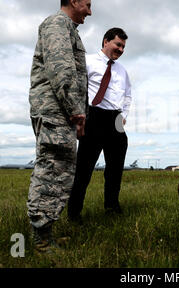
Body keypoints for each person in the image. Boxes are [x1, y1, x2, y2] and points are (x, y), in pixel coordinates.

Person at [27, 0, 92, 252]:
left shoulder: (69, 29)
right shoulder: (56, 24)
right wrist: (76, 109)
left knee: (60, 171)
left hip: (61, 111)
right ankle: (41, 238)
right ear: (73, 1)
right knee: (52, 171)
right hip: (56, 110)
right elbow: (61, 68)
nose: (90, 11)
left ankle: (46, 232)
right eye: (87, 5)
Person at [68, 27, 131, 220]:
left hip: (115, 119)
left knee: (115, 168)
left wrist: (123, 116)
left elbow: (128, 95)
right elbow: (77, 88)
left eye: (123, 47)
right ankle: (74, 212)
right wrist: (79, 114)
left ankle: (112, 207)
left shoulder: (122, 70)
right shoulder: (87, 62)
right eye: (118, 44)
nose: (121, 49)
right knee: (84, 169)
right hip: (93, 116)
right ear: (105, 41)